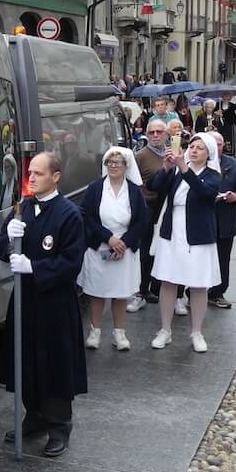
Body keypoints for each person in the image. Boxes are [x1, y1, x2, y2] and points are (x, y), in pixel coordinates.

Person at [0, 152, 86, 458]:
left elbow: (71, 262)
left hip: (54, 302)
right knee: (25, 360)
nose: (31, 178)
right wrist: (9, 243)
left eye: (38, 173)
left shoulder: (69, 214)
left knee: (53, 363)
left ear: (55, 176)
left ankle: (59, 424)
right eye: (30, 173)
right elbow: (0, 245)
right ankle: (33, 414)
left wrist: (34, 267)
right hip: (25, 299)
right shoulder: (23, 207)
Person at [149, 134, 222, 353]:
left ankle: (197, 331)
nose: (194, 150)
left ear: (209, 153)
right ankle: (165, 330)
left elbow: (204, 193)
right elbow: (156, 186)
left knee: (198, 283)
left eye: (200, 148)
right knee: (168, 281)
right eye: (192, 146)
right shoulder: (178, 169)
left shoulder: (213, 175)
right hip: (173, 228)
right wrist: (166, 168)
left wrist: (183, 168)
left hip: (198, 232)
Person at [78, 148, 148, 352]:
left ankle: (119, 333)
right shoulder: (95, 188)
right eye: (110, 162)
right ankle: (95, 331)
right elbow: (87, 217)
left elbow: (141, 221)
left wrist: (123, 243)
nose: (114, 166)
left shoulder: (134, 191)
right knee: (97, 292)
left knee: (120, 293)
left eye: (118, 162)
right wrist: (108, 239)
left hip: (124, 249)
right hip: (100, 245)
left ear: (127, 167)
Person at [207, 131, 236, 309]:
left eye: (219, 143)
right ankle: (192, 291)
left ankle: (218, 292)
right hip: (203, 218)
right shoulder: (195, 163)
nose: (216, 147)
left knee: (223, 257)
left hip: (225, 217)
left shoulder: (232, 165)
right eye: (212, 143)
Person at [130, 119, 169, 311]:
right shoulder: (140, 156)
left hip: (168, 206)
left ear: (166, 134)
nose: (155, 135)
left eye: (159, 131)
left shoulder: (171, 154)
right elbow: (134, 185)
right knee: (146, 250)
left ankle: (156, 287)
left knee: (162, 249)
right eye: (152, 132)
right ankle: (141, 290)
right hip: (148, 207)